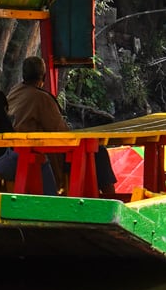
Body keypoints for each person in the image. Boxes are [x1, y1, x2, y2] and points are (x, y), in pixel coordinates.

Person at [7, 55, 115, 194]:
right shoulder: (41, 98)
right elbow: (61, 132)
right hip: (40, 155)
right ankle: (110, 196)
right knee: (99, 153)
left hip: (16, 151)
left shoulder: (14, 93)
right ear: (43, 77)